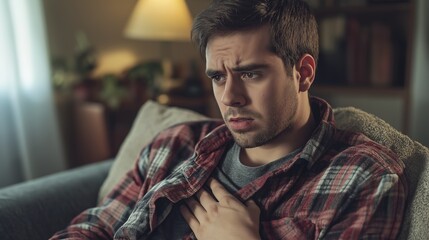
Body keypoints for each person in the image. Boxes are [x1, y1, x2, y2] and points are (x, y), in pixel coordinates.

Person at [51, 0, 407, 239]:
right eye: (218, 77)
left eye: (250, 74)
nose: (228, 97)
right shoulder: (173, 142)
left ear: (303, 73)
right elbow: (95, 225)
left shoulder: (364, 177)